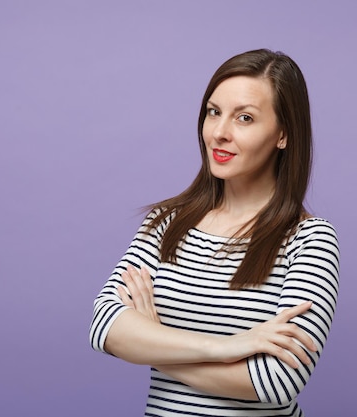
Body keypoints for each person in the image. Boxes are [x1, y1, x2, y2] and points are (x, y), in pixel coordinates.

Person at [89, 48, 340, 417]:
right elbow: (105, 328)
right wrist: (228, 347)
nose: (220, 133)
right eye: (213, 112)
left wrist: (155, 343)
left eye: (245, 118)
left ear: (283, 134)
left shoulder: (309, 241)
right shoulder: (167, 223)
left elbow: (276, 383)